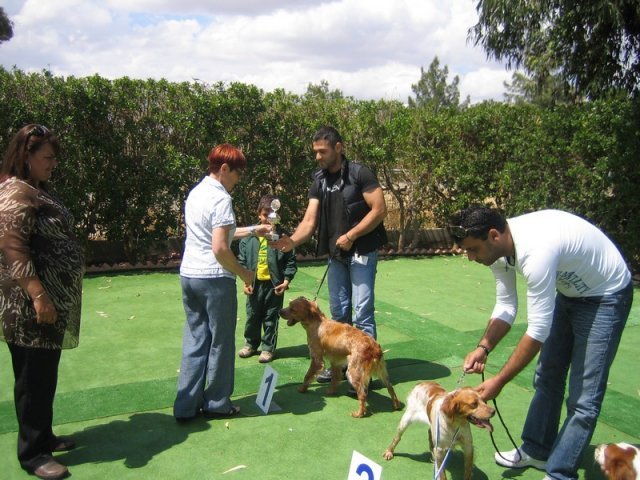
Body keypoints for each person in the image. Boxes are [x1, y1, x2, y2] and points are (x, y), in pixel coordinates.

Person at [453, 206, 633, 480]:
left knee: (584, 399)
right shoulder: (498, 250)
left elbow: (537, 331)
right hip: (569, 293)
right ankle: (537, 450)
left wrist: (500, 380)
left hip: (606, 296)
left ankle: (559, 473)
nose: (469, 257)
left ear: (493, 235)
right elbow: (506, 305)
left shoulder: (535, 251)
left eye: (473, 249)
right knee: (547, 375)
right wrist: (484, 347)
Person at [0, 125, 85, 480]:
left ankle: (43, 436)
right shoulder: (16, 193)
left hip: (46, 303)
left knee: (44, 375)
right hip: (29, 306)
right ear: (26, 156)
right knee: (32, 378)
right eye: (47, 158)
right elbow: (12, 247)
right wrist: (38, 295)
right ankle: (33, 454)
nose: (53, 164)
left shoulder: (35, 189)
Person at [271, 126, 387, 382]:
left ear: (338, 147)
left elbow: (379, 209)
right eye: (315, 152)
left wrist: (351, 235)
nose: (318, 157)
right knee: (339, 311)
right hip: (337, 255)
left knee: (362, 311)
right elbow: (309, 220)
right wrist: (291, 242)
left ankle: (365, 372)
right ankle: (339, 367)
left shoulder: (360, 173)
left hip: (362, 252)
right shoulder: (319, 180)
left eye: (322, 151)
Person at [173, 144, 272, 422]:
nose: (239, 179)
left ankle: (185, 406)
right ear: (224, 169)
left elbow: (219, 234)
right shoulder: (221, 199)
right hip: (215, 280)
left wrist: (254, 229)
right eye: (237, 173)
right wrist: (243, 273)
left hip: (189, 275)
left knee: (195, 339)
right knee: (221, 342)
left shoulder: (196, 193)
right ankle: (217, 403)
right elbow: (219, 247)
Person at [237, 194, 297, 363]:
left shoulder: (283, 236)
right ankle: (251, 344)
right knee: (252, 315)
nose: (269, 218)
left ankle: (268, 348)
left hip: (274, 285)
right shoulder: (248, 236)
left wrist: (286, 281)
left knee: (271, 317)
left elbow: (290, 260)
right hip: (254, 284)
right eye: (265, 214)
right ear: (259, 214)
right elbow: (242, 260)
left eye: (273, 214)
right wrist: (245, 281)